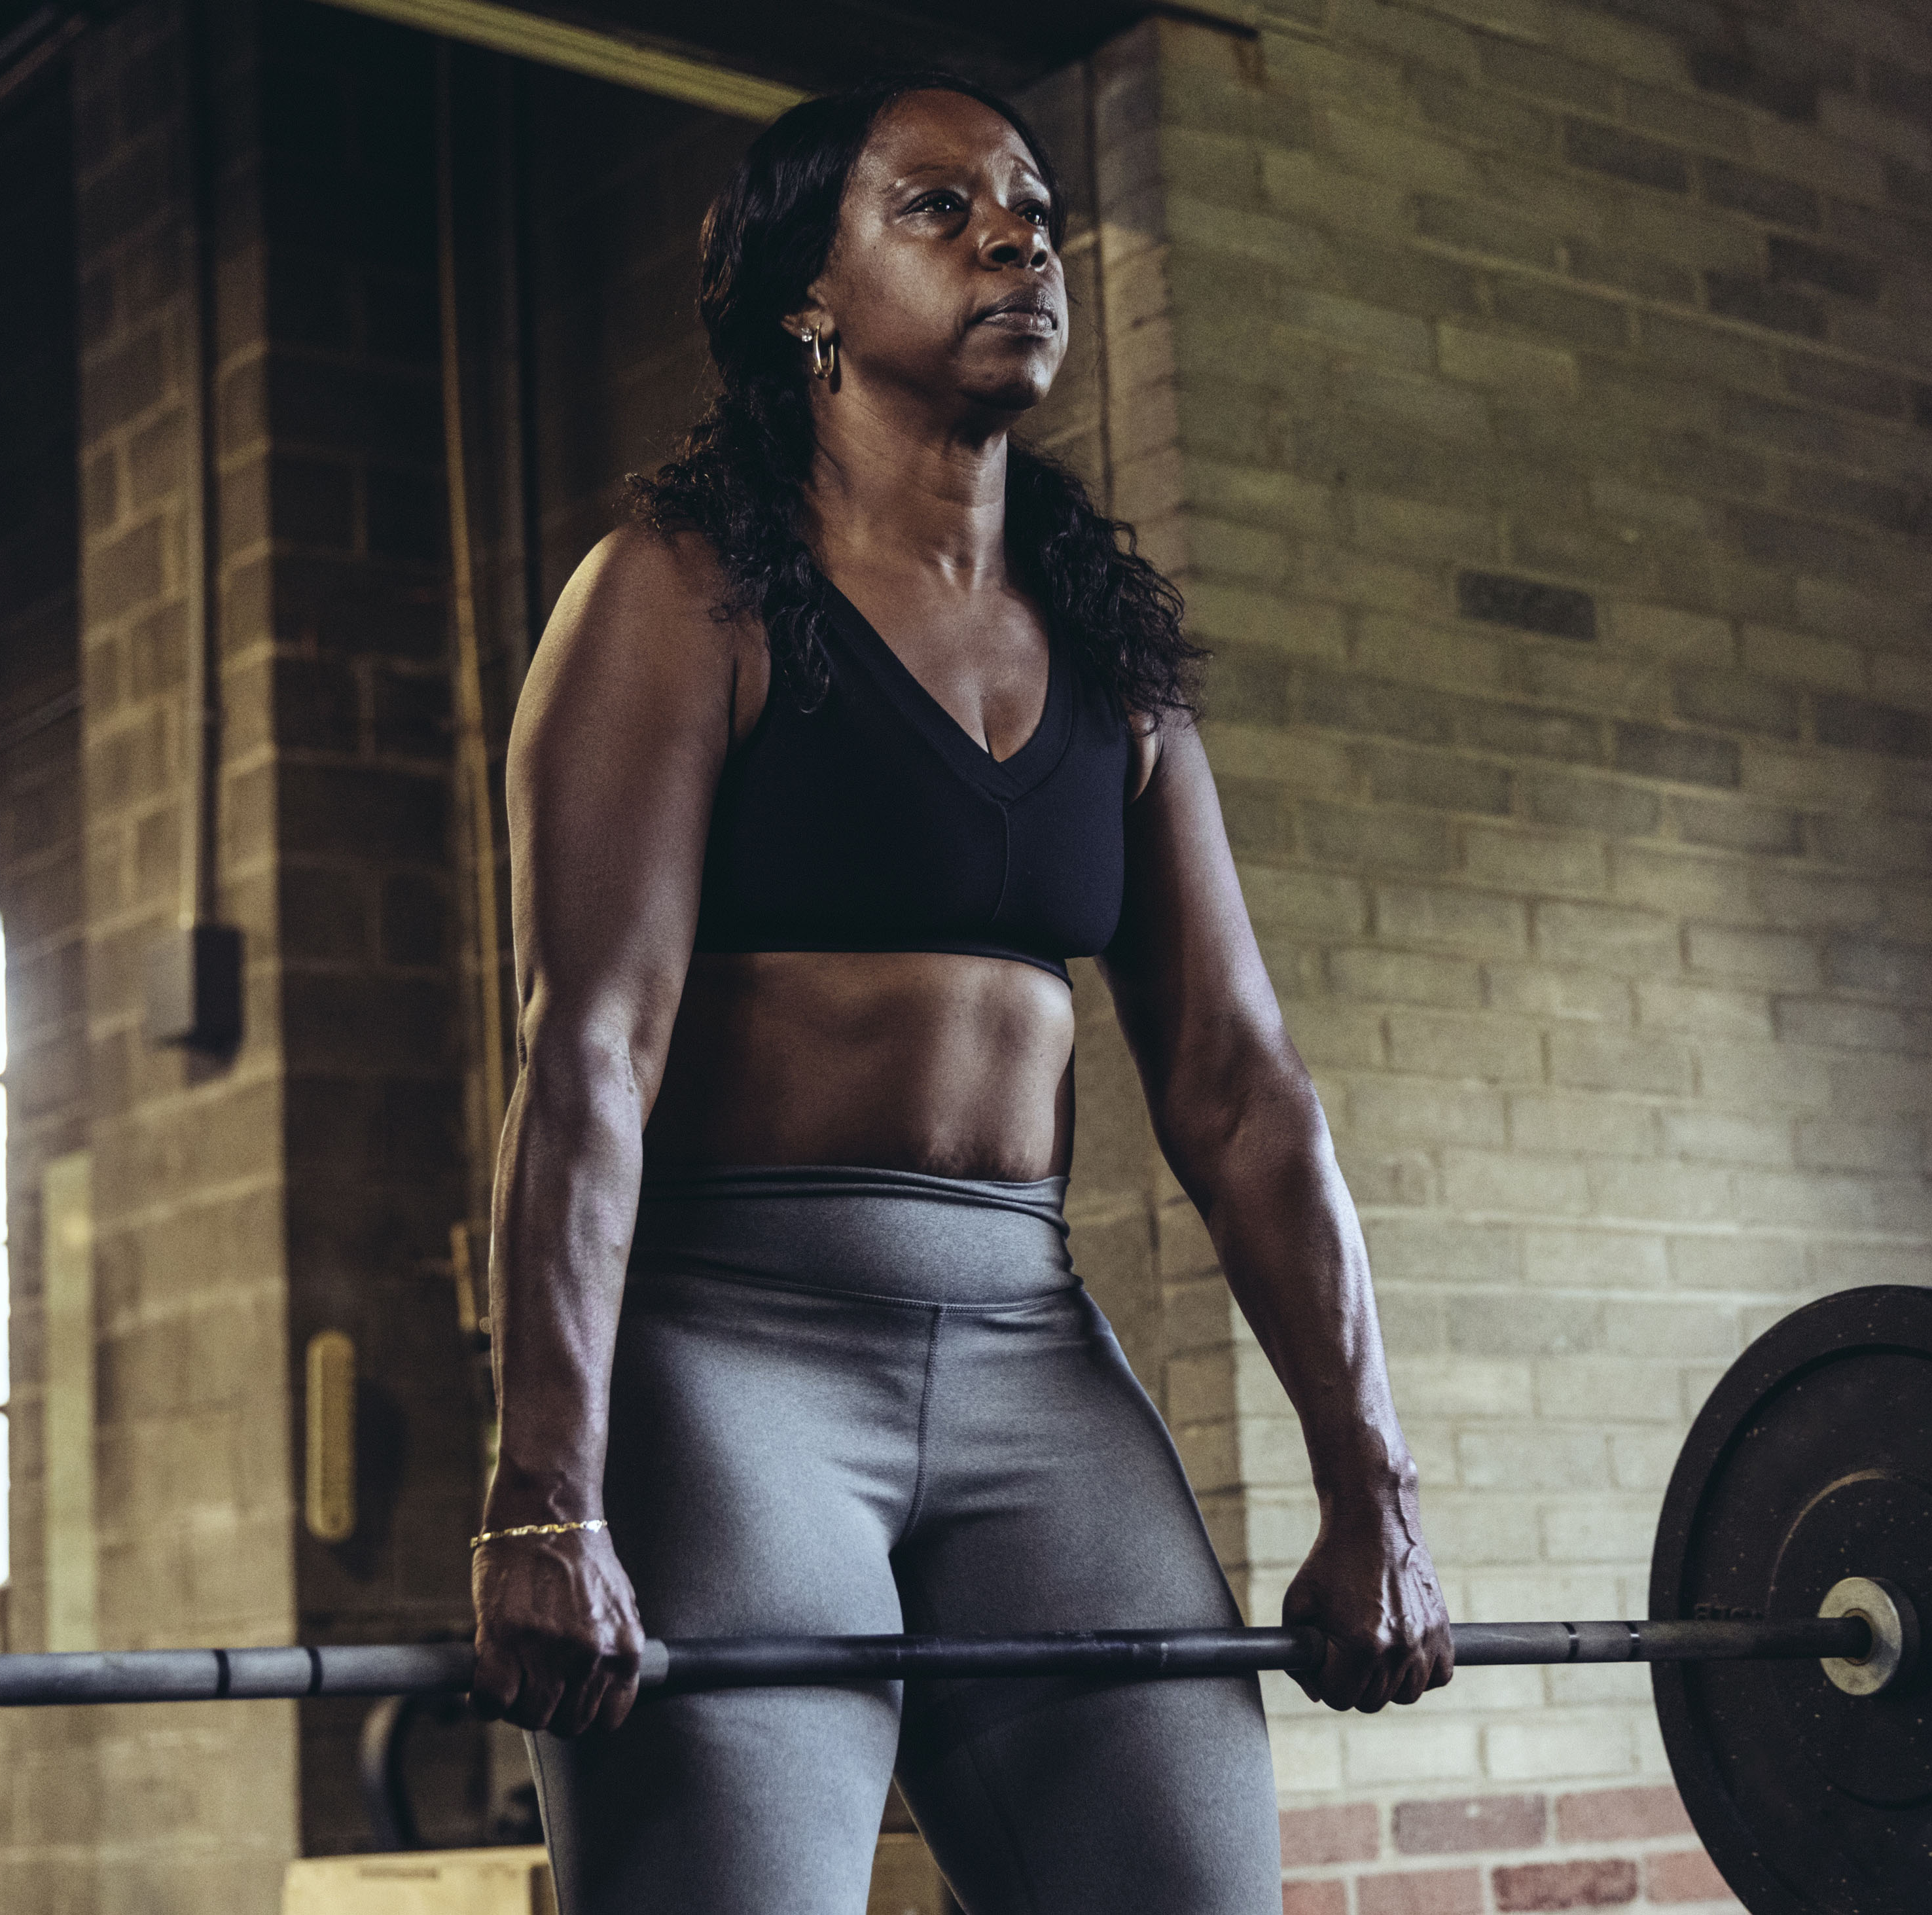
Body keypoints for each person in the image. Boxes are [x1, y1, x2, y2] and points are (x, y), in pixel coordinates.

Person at [469, 71, 1451, 1915]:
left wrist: (1368, 1491)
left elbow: (1239, 1089)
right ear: (803, 298)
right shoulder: (677, 599)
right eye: (937, 208)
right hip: (727, 1365)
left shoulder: (1113, 666)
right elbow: (586, 1056)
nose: (1015, 236)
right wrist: (545, 1492)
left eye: (1033, 208)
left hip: (1029, 1356)